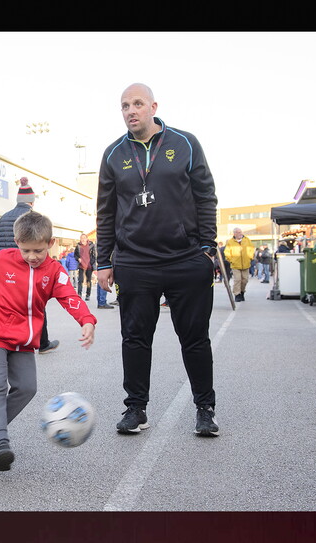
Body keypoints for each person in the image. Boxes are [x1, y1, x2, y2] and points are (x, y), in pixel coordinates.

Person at [95, 82, 220, 437]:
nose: (130, 111)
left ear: (153, 106)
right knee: (134, 338)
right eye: (124, 106)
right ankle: (136, 409)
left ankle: (205, 409)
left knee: (195, 338)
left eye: (137, 104)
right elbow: (105, 211)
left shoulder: (184, 143)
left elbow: (205, 195)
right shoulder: (113, 154)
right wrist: (104, 260)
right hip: (135, 262)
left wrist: (207, 247)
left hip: (184, 258)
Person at [0, 211, 97, 471]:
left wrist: (87, 320)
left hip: (24, 340)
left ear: (51, 243)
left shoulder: (55, 271)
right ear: (16, 242)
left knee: (27, 388)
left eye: (38, 250)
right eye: (26, 251)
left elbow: (70, 297)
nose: (32, 256)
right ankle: (0, 443)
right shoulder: (3, 259)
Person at [0, 178, 60, 353]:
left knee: (5, 304)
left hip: (5, 269)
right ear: (31, 201)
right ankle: (43, 343)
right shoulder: (33, 219)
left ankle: (5, 340)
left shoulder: (3, 218)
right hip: (27, 267)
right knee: (35, 303)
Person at [224, 227, 255, 302]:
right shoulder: (230, 242)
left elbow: (251, 249)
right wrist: (231, 260)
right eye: (238, 232)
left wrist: (250, 257)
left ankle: (242, 292)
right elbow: (227, 252)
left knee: (245, 280)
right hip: (235, 265)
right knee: (237, 280)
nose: (240, 233)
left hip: (246, 263)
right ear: (234, 233)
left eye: (240, 232)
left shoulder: (247, 240)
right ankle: (237, 294)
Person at [74, 233, 97, 301]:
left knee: (88, 281)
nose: (83, 239)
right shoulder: (78, 246)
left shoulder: (91, 245)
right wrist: (78, 258)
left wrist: (91, 263)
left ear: (87, 239)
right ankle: (79, 294)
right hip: (81, 266)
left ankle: (88, 295)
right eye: (81, 238)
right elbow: (75, 255)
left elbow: (94, 255)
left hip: (89, 266)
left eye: (84, 238)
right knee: (80, 280)